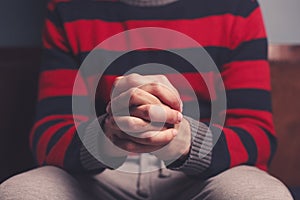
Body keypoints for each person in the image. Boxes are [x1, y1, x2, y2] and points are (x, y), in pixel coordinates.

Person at [0, 0, 293, 199]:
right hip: (100, 173)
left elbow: (257, 135)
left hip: (205, 175)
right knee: (20, 193)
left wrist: (187, 142)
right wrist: (107, 135)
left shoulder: (237, 8)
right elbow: (48, 134)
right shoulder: (67, 7)